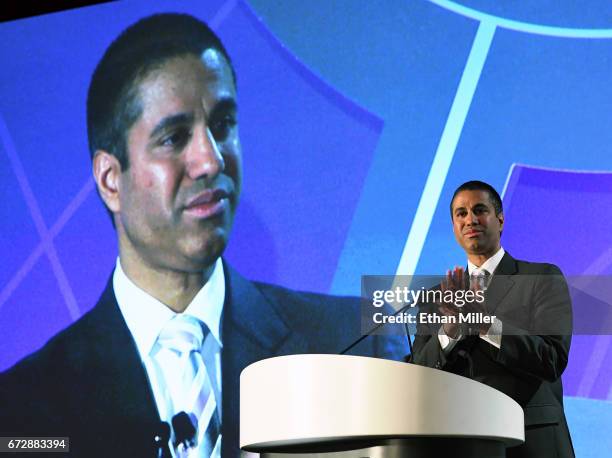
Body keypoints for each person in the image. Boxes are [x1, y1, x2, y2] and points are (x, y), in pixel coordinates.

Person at [0, 14, 403, 457]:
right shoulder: (24, 410)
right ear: (111, 180)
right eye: (174, 138)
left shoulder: (354, 346)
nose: (211, 160)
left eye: (223, 125)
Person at [411, 180, 574, 458]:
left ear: (499, 220)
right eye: (460, 214)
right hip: (462, 442)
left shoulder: (541, 278)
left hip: (531, 440)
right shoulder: (435, 298)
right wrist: (448, 333)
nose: (470, 219)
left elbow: (551, 359)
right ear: (453, 227)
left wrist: (486, 324)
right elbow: (419, 375)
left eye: (479, 210)